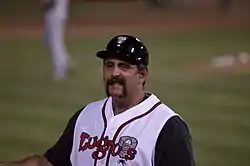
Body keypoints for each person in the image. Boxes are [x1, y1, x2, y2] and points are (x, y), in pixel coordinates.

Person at [0, 35, 195, 166]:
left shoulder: (167, 127)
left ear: (142, 75)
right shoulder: (86, 116)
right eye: (109, 65)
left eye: (124, 66)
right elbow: (50, 163)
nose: (114, 73)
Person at [42, 0, 72, 80]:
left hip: (54, 14)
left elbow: (49, 3)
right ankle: (65, 62)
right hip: (60, 13)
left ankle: (60, 69)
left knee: (55, 42)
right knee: (50, 41)